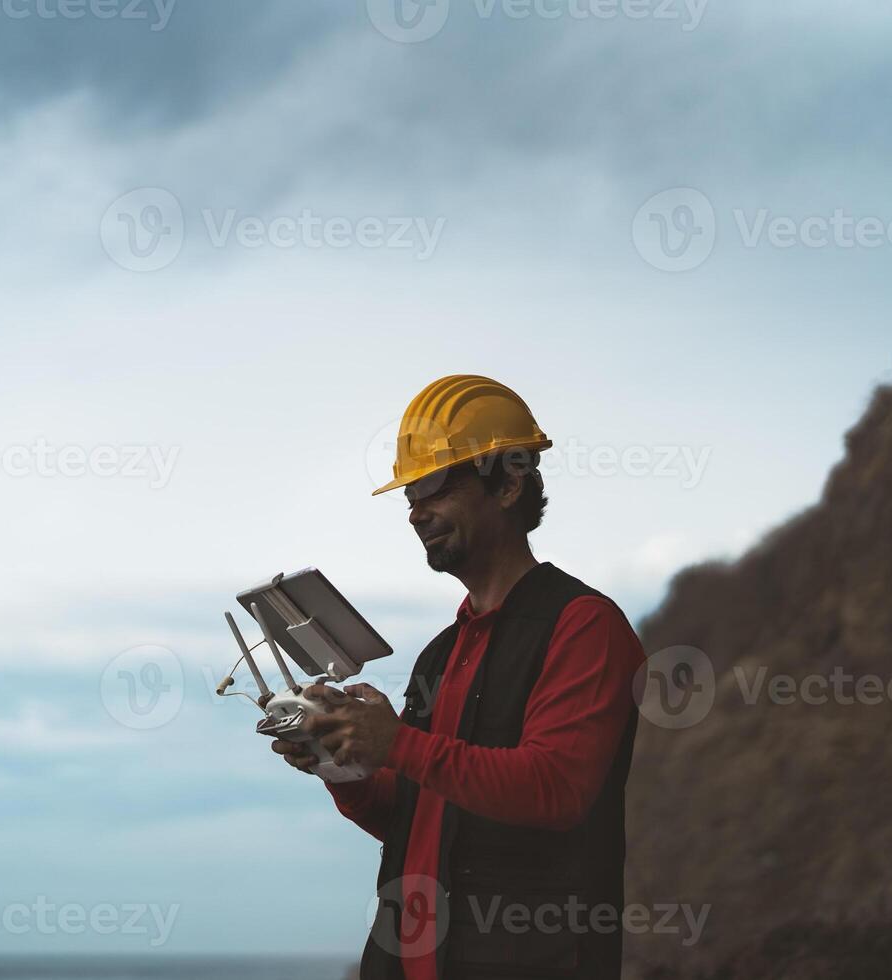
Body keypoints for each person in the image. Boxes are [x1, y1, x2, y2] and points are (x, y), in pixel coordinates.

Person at [271, 376, 645, 980]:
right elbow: (415, 816)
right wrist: (340, 762)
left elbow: (554, 790)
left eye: (435, 488)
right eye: (410, 497)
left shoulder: (583, 627)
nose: (417, 513)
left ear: (508, 483)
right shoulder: (440, 655)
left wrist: (395, 742)